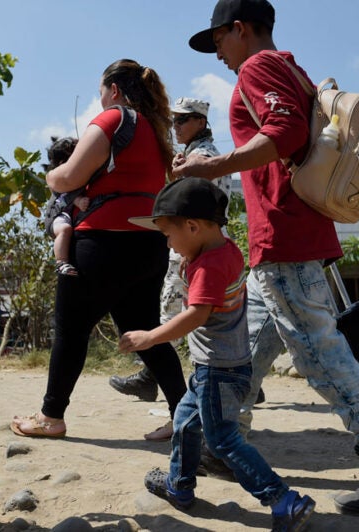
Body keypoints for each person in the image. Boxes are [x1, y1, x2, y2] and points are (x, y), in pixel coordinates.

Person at [177, 0, 359, 518]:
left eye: (219, 41)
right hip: (289, 234)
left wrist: (210, 167)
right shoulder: (291, 67)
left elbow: (286, 134)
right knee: (242, 350)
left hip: (284, 233)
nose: (219, 56)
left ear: (240, 28)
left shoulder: (258, 65)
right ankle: (219, 441)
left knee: (319, 353)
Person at [121, 177, 316, 531]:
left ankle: (283, 500)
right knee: (183, 421)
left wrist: (150, 337)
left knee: (224, 440)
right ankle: (179, 486)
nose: (168, 243)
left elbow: (196, 315)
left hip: (217, 371)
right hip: (221, 368)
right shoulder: (224, 250)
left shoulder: (208, 266)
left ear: (193, 226)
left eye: (168, 234)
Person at [10, 59, 188, 442]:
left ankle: (50, 416)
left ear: (115, 90)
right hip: (149, 243)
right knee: (147, 333)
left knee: (71, 331)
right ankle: (185, 416)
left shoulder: (112, 119)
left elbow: (69, 176)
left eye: (101, 92)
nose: (101, 99)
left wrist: (50, 176)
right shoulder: (158, 131)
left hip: (103, 242)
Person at [109, 97, 249, 404]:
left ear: (201, 122)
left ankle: (160, 381)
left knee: (172, 317)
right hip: (201, 242)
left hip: (196, 247)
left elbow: (184, 203)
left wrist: (146, 338)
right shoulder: (196, 154)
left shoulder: (200, 156)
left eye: (182, 120)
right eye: (174, 121)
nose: (176, 127)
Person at [44, 136, 90, 277]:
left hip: (67, 215)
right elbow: (66, 194)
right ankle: (61, 262)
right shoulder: (61, 178)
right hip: (57, 216)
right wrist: (78, 201)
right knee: (65, 229)